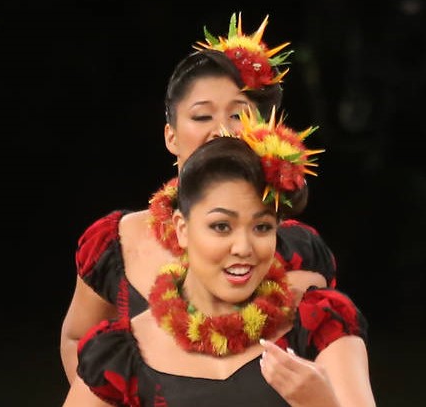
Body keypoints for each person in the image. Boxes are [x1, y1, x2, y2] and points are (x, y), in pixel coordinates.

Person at [60, 12, 337, 384]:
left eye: (239, 115)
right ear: (171, 136)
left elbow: (329, 358)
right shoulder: (115, 242)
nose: (223, 130)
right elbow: (76, 337)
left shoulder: (295, 246)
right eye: (202, 116)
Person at [63, 114, 376, 406]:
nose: (243, 247)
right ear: (182, 229)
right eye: (221, 226)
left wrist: (321, 401)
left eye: (262, 227)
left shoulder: (318, 324)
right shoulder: (122, 355)